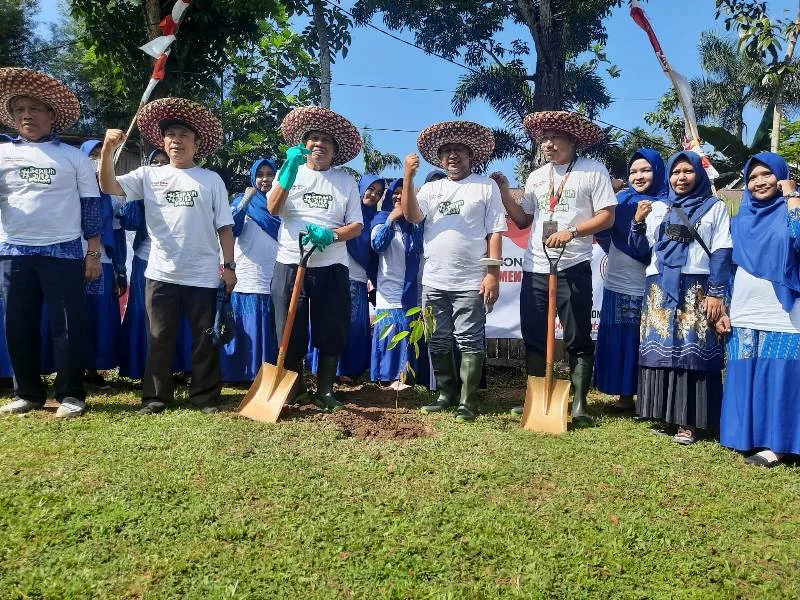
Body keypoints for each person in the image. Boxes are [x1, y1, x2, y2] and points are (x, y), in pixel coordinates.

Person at [99, 97, 236, 415]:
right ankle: (156, 397)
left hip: (203, 274)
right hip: (160, 273)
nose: (176, 140)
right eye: (170, 135)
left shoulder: (211, 180)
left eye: (184, 135)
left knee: (205, 338)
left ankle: (204, 396)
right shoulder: (148, 175)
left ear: (196, 143)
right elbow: (108, 186)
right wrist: (107, 150)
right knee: (158, 337)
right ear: (162, 142)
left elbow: (225, 227)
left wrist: (229, 266)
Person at [498, 110, 616, 426]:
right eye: (544, 139)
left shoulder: (593, 170)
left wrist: (572, 231)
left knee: (578, 336)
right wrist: (505, 190)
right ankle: (536, 398)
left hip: (573, 265)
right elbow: (523, 220)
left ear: (573, 141)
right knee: (534, 334)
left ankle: (579, 404)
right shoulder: (537, 176)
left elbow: (607, 216)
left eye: (555, 138)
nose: (548, 144)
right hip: (535, 267)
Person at [0, 67, 102, 417]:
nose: (26, 115)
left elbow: (91, 206)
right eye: (19, 110)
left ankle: (71, 394)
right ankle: (28, 393)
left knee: (68, 326)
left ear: (52, 115)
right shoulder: (2, 154)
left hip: (64, 250)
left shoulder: (74, 157)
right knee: (18, 324)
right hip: (13, 251)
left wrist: (93, 253)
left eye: (34, 109)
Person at [401, 120, 506, 422]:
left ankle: (467, 400)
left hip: (470, 280)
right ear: (439, 158)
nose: (452, 155)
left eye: (459, 149)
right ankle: (446, 394)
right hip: (434, 280)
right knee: (437, 339)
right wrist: (408, 177)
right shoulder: (432, 188)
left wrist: (492, 274)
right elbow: (412, 215)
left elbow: (495, 232)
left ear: (470, 155)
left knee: (469, 340)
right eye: (446, 151)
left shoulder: (485, 186)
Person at [630, 151, 732, 445]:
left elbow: (722, 250)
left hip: (696, 287)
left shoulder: (715, 207)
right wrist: (638, 222)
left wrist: (716, 293)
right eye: (675, 173)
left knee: (692, 352)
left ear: (698, 175)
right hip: (659, 285)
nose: (681, 178)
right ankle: (664, 415)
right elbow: (641, 250)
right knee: (660, 349)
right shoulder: (659, 207)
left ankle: (691, 422)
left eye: (687, 171)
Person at [267, 106, 364, 410]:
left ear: (335, 150)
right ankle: (294, 388)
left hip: (331, 266)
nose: (319, 144)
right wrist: (288, 172)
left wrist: (331, 235)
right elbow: (273, 209)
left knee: (331, 329)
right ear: (304, 145)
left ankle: (324, 390)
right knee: (288, 328)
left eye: (326, 140)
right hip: (290, 261)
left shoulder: (345, 181)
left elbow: (356, 226)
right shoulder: (289, 171)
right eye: (314, 139)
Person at [717, 152, 800, 467]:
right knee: (745, 371)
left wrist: (792, 196)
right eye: (752, 177)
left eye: (767, 174)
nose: (759, 182)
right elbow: (729, 267)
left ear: (782, 176)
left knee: (780, 376)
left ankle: (779, 445)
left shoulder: (792, 209)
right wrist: (724, 307)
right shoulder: (740, 221)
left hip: (784, 312)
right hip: (744, 308)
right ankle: (744, 437)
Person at [594, 148, 668, 412]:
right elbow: (603, 231)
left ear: (658, 171)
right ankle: (624, 397)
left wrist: (637, 226)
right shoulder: (621, 200)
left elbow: (655, 248)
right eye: (634, 171)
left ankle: (649, 400)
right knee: (620, 340)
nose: (639, 176)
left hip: (651, 284)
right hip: (617, 281)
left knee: (646, 341)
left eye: (646, 170)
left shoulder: (668, 204)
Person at [117, 149, 193, 382]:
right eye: (155, 162)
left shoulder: (183, 188)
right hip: (146, 260)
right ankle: (142, 368)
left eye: (163, 162)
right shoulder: (143, 191)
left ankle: (179, 367)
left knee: (177, 314)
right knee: (144, 314)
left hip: (178, 261)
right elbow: (130, 223)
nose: (159, 165)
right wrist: (136, 195)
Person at [307, 173, 385, 382]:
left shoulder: (376, 219)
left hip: (358, 278)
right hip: (337, 272)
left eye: (378, 193)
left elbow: (372, 252)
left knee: (352, 326)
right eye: (370, 189)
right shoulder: (347, 212)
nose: (373, 195)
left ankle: (346, 370)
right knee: (332, 322)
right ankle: (327, 371)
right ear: (361, 188)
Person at [219, 158, 281, 383]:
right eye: (260, 174)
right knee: (244, 323)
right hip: (247, 273)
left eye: (270, 174)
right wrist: (244, 202)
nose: (265, 179)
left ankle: (264, 373)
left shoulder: (281, 203)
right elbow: (231, 228)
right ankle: (237, 373)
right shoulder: (243, 200)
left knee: (268, 325)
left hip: (274, 272)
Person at [370, 178, 426, 386]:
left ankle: (406, 377)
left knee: (408, 329)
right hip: (388, 288)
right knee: (390, 329)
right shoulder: (380, 218)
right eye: (396, 192)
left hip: (411, 288)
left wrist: (413, 221)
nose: (399, 196)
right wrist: (391, 219)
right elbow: (378, 245)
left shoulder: (416, 223)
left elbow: (419, 248)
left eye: (405, 192)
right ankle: (386, 376)